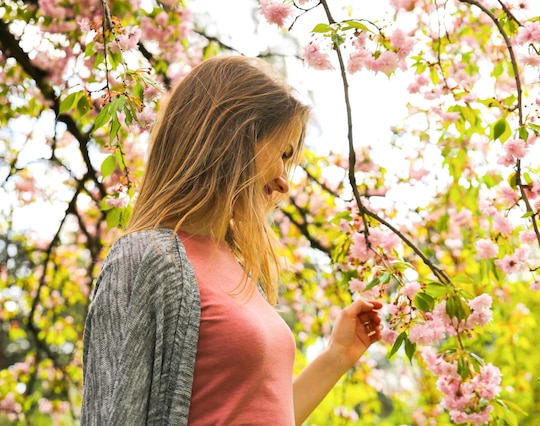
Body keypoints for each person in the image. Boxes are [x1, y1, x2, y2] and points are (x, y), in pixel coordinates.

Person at [80, 55, 382, 426]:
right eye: (282, 154)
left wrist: (337, 357)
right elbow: (113, 415)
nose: (285, 182)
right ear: (231, 138)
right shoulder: (147, 259)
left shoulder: (234, 267)